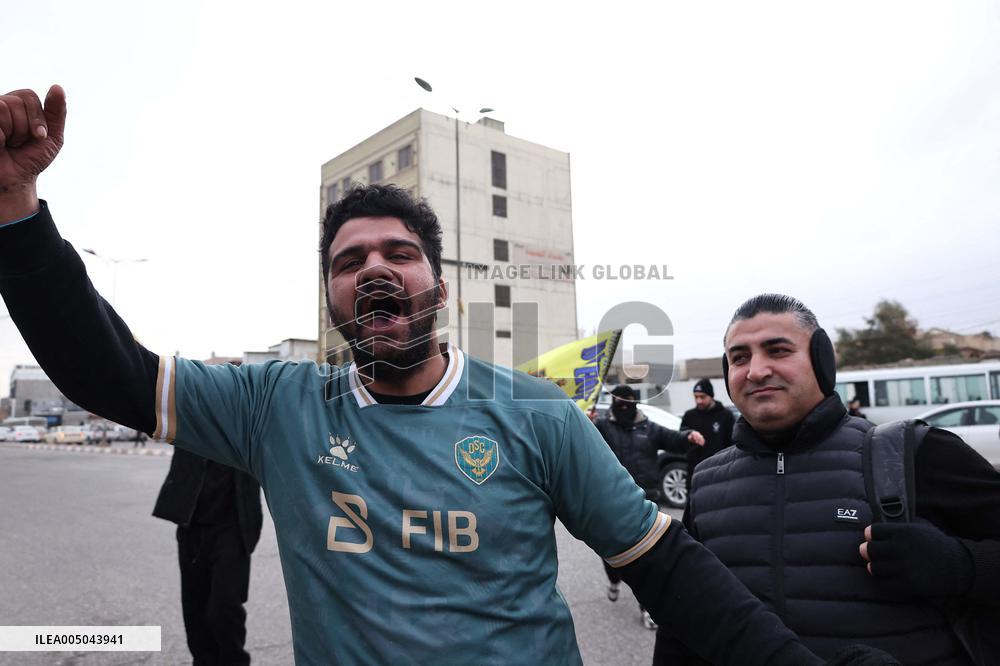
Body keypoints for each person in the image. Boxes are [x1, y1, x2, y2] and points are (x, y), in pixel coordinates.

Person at [0, 86, 898, 666]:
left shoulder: (537, 416)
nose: (377, 268)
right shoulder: (275, 404)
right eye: (351, 260)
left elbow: (670, 572)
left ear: (440, 283)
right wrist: (17, 216)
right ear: (331, 297)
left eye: (402, 252)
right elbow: (107, 373)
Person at [654, 294, 1000, 665]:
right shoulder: (706, 483)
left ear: (821, 359)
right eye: (740, 358)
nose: (756, 370)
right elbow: (685, 618)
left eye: (778, 350)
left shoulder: (913, 454)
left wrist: (962, 565)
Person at [153, 361, 263, 666]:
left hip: (233, 528)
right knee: (195, 609)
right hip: (191, 528)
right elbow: (151, 406)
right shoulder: (188, 419)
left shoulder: (249, 422)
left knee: (224, 608)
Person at [594, 384, 705, 630]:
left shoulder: (648, 427)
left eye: (629, 399)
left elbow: (672, 438)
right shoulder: (602, 427)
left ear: (635, 401)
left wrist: (688, 436)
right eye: (619, 399)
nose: (624, 404)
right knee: (609, 552)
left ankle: (648, 610)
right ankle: (613, 579)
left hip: (645, 500)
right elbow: (581, 442)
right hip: (611, 499)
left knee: (647, 561)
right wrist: (587, 424)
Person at [679, 378, 734, 506]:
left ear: (711, 396)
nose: (699, 400)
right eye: (696, 397)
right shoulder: (689, 416)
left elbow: (733, 445)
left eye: (702, 397)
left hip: (719, 474)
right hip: (694, 473)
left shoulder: (725, 415)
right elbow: (681, 441)